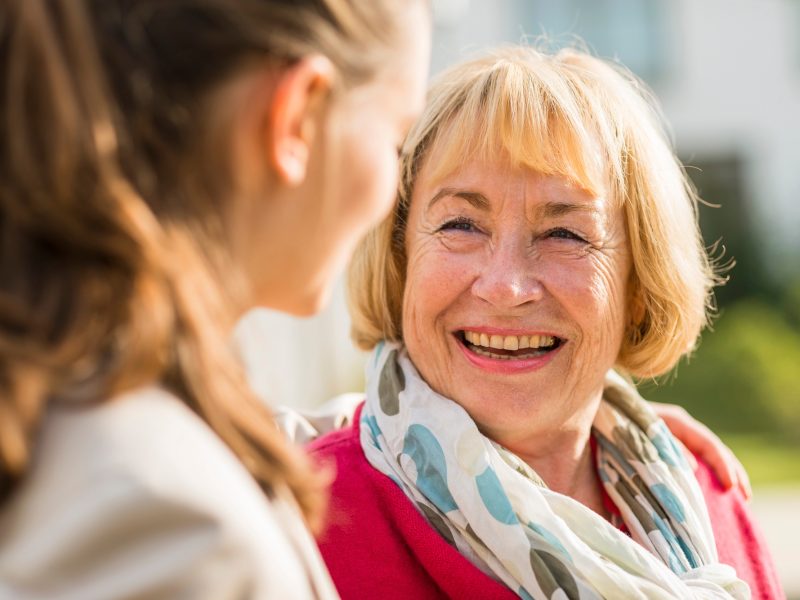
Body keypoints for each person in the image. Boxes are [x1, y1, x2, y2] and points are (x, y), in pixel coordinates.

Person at [309, 46, 783, 599]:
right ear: (400, 260)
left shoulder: (710, 501)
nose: (506, 286)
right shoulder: (308, 518)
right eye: (461, 224)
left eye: (565, 234)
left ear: (638, 283)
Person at [0, 0, 430, 597]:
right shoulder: (171, 526)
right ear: (298, 116)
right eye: (396, 141)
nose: (391, 192)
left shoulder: (70, 402)